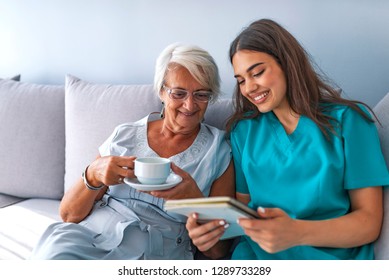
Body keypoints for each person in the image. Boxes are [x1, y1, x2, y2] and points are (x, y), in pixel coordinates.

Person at [186, 19, 389, 260]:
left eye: (257, 72)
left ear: (287, 64)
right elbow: (241, 214)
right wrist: (210, 235)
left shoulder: (349, 122)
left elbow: (368, 223)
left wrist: (297, 232)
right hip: (255, 259)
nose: (249, 87)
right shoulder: (243, 132)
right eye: (241, 80)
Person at [30, 42, 235, 260]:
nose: (190, 104)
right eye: (179, 93)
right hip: (92, 237)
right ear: (161, 91)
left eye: (201, 94)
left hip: (156, 253)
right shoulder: (125, 135)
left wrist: (194, 199)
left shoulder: (219, 151)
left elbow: (217, 251)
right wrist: (93, 174)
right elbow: (68, 215)